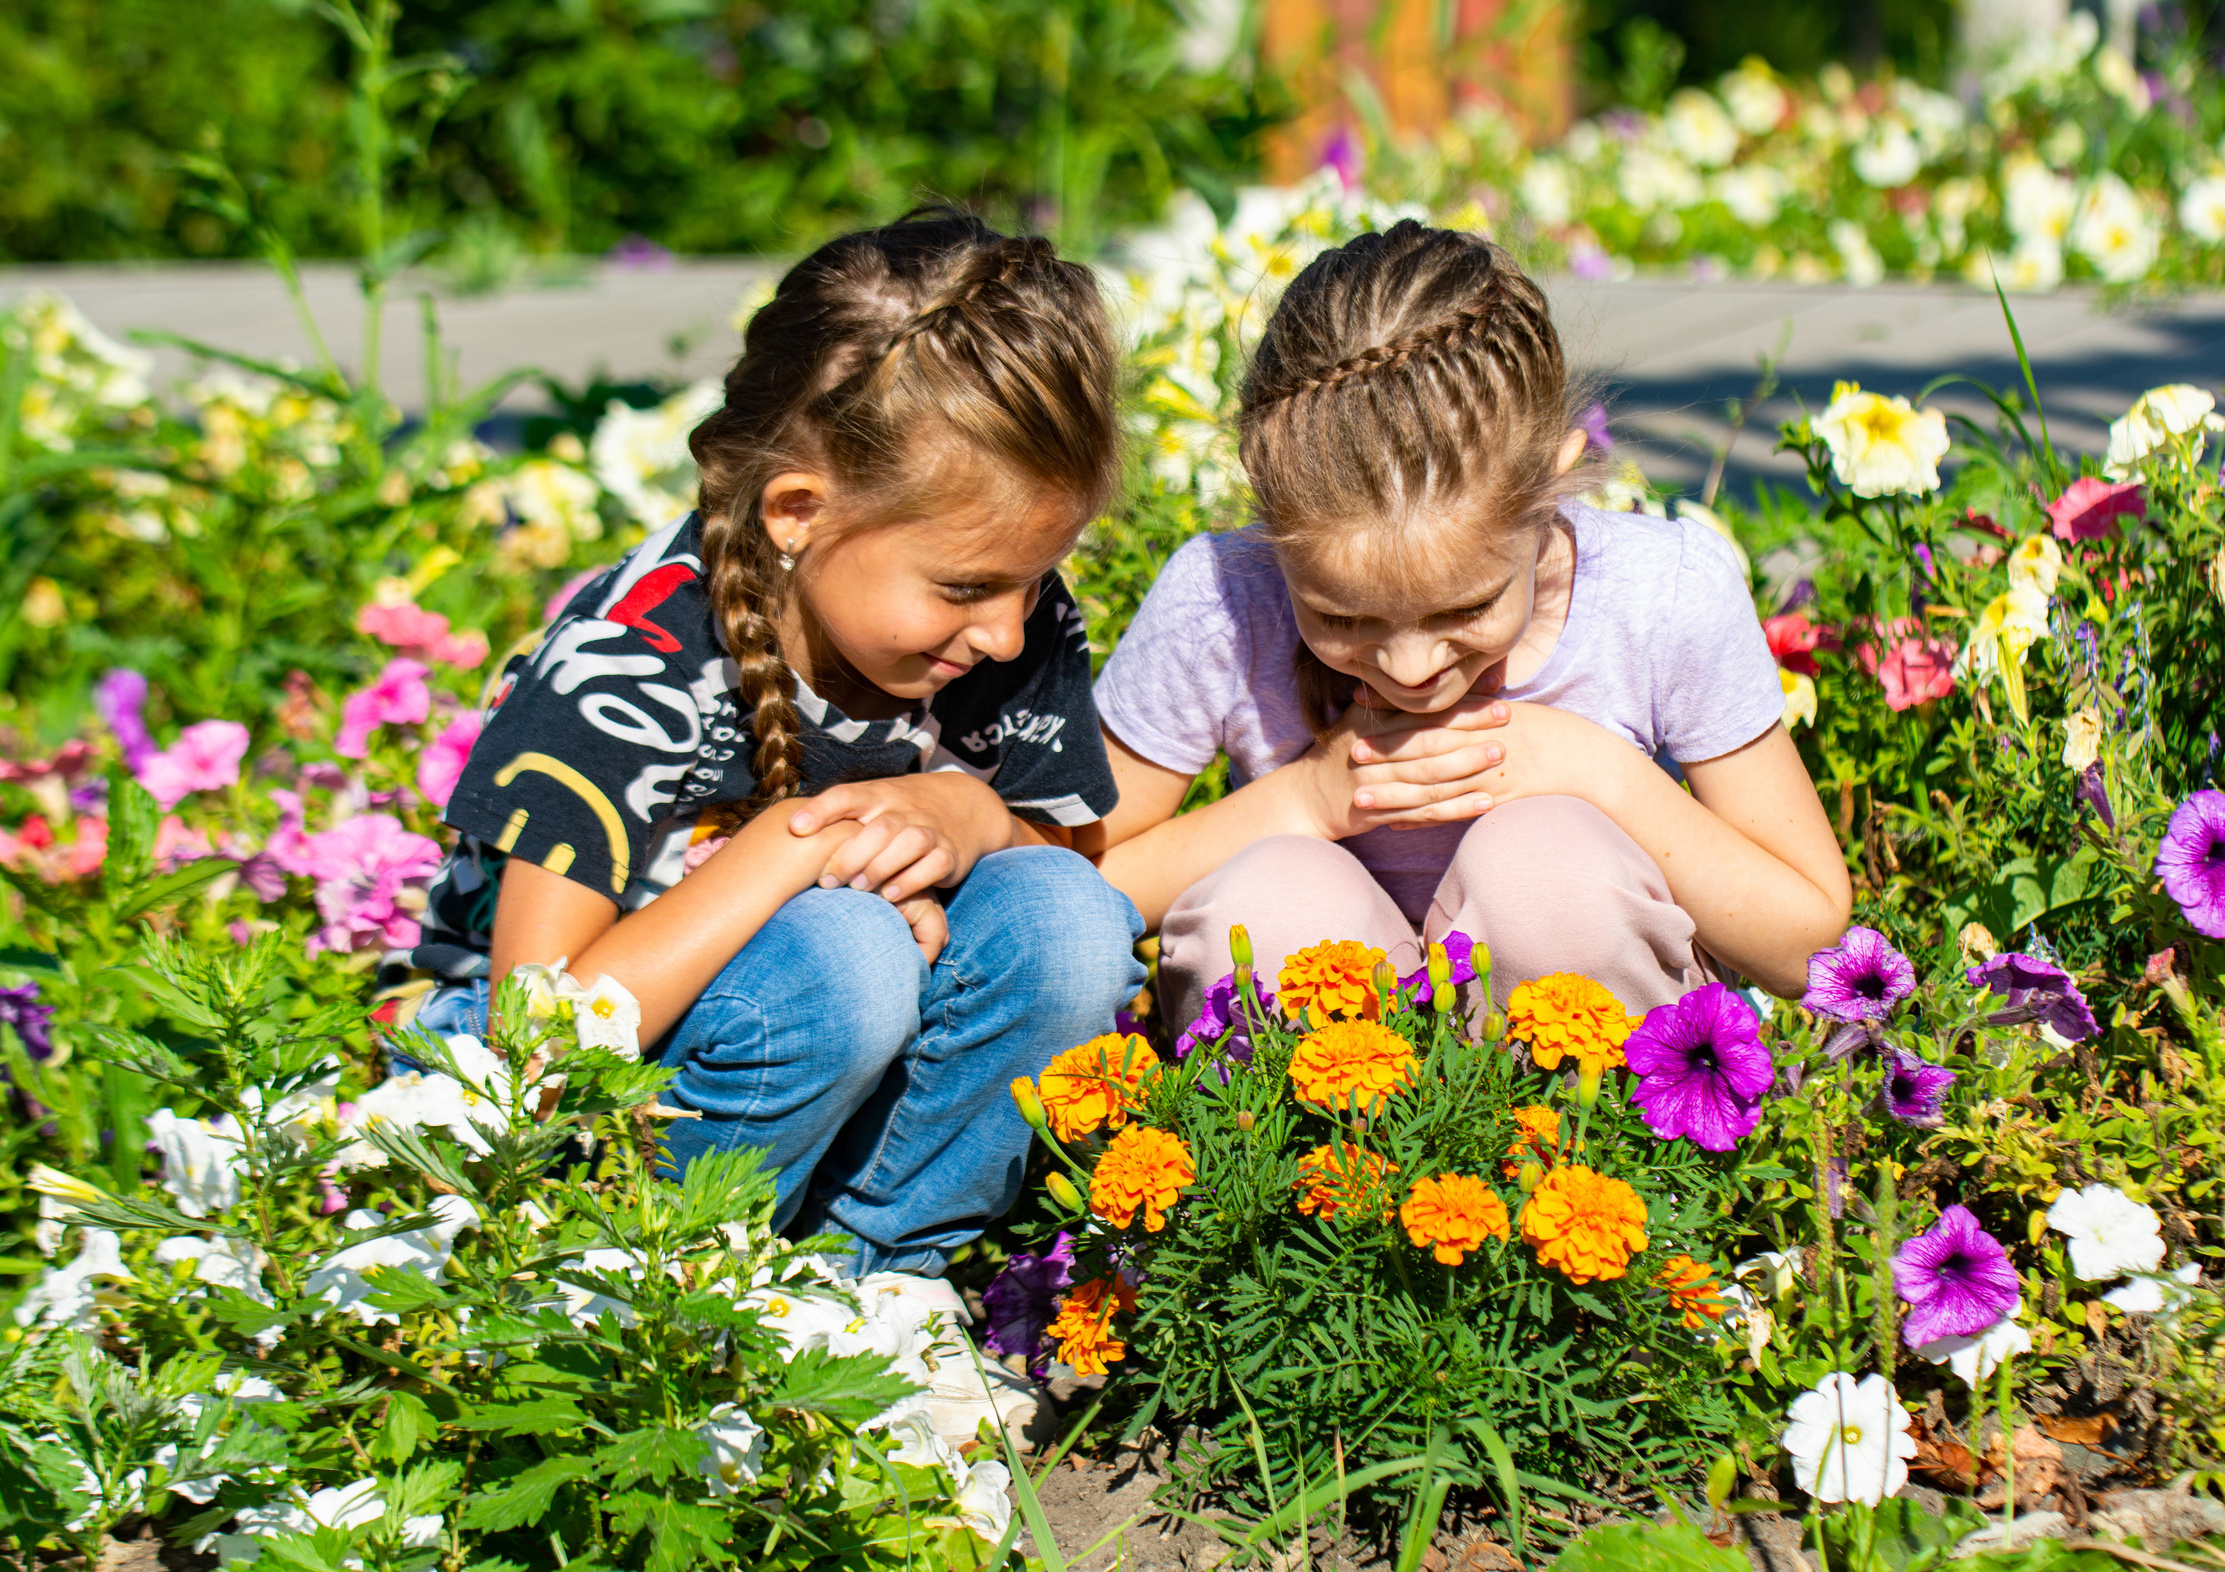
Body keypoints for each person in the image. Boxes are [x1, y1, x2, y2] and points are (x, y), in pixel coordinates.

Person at [412, 211, 1145, 1441]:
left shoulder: (998, 626)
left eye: (1035, 579)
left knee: (1069, 919)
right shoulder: (636, 657)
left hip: (804, 1059)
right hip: (563, 1112)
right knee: (841, 954)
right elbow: (531, 1045)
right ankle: (666, 1303)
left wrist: (967, 815)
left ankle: (875, 1283)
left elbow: (1069, 875)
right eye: (969, 588)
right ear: (798, 510)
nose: (1010, 634)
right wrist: (789, 850)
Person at [1091, 220, 1852, 1027]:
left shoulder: (1658, 594)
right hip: (1323, 1108)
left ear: (1551, 488)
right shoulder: (1223, 599)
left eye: (1466, 608)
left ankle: (1586, 1137)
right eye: (1341, 615)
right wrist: (1307, 800)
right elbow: (1079, 891)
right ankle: (1308, 1146)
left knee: (1548, 871)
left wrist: (1599, 772)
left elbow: (1806, 940)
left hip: (1583, 1106)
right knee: (1269, 902)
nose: (1411, 667)